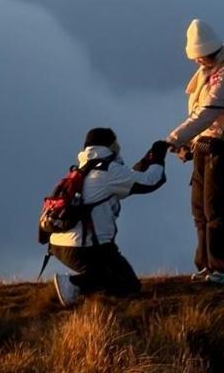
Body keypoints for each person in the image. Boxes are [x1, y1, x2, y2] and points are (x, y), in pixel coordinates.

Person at [166, 19, 224, 285]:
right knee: (201, 208)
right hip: (206, 145)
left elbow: (208, 112)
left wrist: (175, 137)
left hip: (223, 148)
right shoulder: (212, 71)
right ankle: (207, 265)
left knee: (218, 208)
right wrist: (189, 142)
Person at [51, 128, 168, 306]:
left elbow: (129, 178)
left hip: (61, 244)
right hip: (86, 247)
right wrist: (159, 157)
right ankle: (74, 284)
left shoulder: (84, 169)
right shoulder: (109, 171)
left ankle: (83, 291)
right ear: (111, 145)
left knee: (129, 284)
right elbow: (150, 181)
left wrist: (146, 160)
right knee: (124, 284)